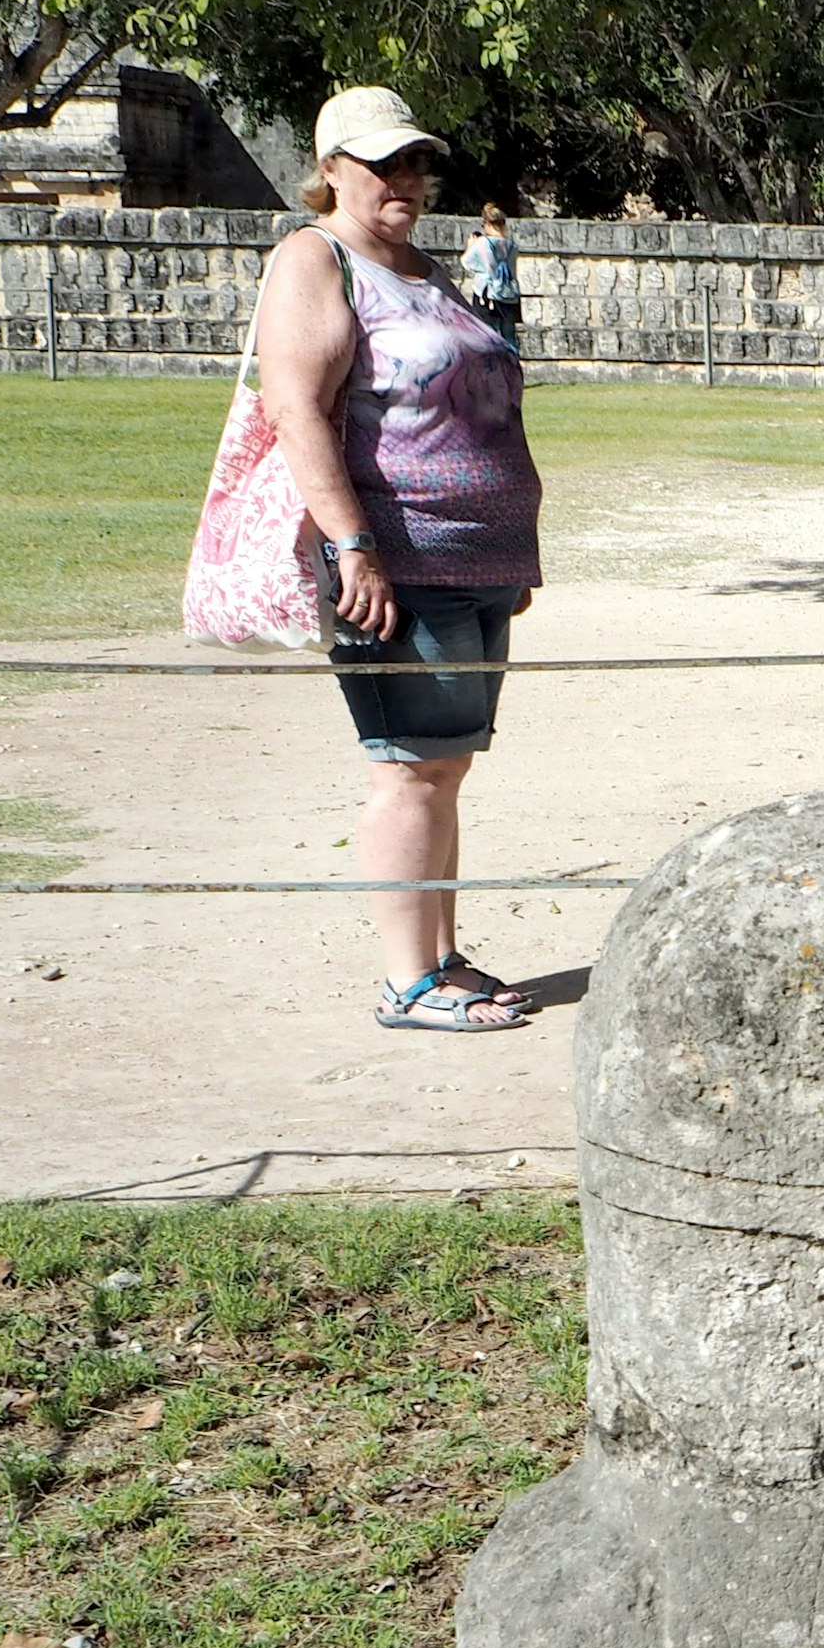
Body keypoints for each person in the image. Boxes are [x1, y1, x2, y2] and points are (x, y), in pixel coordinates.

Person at [255, 87, 545, 1035]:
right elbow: (295, 410)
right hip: (397, 562)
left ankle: (440, 955)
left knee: (445, 768)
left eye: (415, 161)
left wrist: (514, 549)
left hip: (476, 558)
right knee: (407, 770)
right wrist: (355, 550)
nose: (405, 180)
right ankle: (405, 980)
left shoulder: (425, 270)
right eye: (383, 163)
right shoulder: (316, 259)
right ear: (330, 168)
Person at [465, 204, 522, 340]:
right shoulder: (512, 246)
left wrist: (470, 246)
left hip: (487, 294)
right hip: (508, 295)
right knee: (509, 336)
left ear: (488, 224)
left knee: (487, 336)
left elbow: (467, 263)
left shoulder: (483, 243)